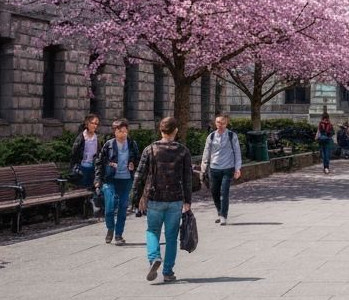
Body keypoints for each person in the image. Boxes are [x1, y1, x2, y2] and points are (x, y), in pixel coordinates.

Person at [131, 116, 193, 284]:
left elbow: (139, 176)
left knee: (152, 231)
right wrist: (187, 201)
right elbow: (188, 178)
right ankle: (168, 271)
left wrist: (135, 198)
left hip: (154, 197)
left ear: (160, 130)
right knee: (172, 236)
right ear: (176, 131)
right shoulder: (183, 151)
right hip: (175, 198)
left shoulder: (150, 149)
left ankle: (154, 257)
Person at [95, 119, 138, 244]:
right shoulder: (108, 145)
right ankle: (110, 229)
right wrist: (99, 177)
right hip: (110, 179)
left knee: (123, 207)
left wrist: (132, 164)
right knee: (109, 207)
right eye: (120, 131)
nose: (123, 134)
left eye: (125, 131)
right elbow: (99, 162)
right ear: (115, 132)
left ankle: (118, 234)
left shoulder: (132, 144)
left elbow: (138, 158)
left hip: (126, 179)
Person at [200, 113, 242, 226]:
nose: (220, 125)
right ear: (215, 123)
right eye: (218, 122)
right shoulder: (211, 136)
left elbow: (237, 152)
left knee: (224, 192)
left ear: (226, 123)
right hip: (214, 169)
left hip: (228, 168)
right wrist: (203, 169)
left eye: (223, 123)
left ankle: (223, 216)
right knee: (214, 192)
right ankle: (219, 212)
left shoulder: (232, 136)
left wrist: (238, 168)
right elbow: (206, 153)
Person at [70, 113, 101, 189]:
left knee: (91, 190)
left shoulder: (97, 137)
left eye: (96, 124)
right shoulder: (81, 137)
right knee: (81, 189)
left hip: (93, 169)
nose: (94, 126)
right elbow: (74, 153)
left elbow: (99, 153)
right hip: (82, 168)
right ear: (87, 124)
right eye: (92, 123)